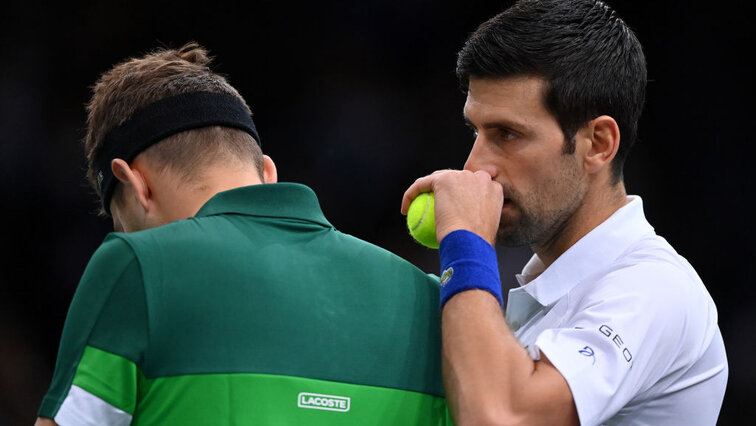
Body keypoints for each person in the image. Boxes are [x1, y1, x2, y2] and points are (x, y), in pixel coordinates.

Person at [36, 43, 451, 425]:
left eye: (122, 220)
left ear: (135, 184)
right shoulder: (432, 301)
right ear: (267, 173)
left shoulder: (134, 264)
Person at [401, 0, 728, 424]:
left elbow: (499, 416)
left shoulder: (653, 287)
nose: (475, 166)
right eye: (477, 131)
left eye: (507, 134)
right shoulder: (547, 292)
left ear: (598, 144)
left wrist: (466, 245)